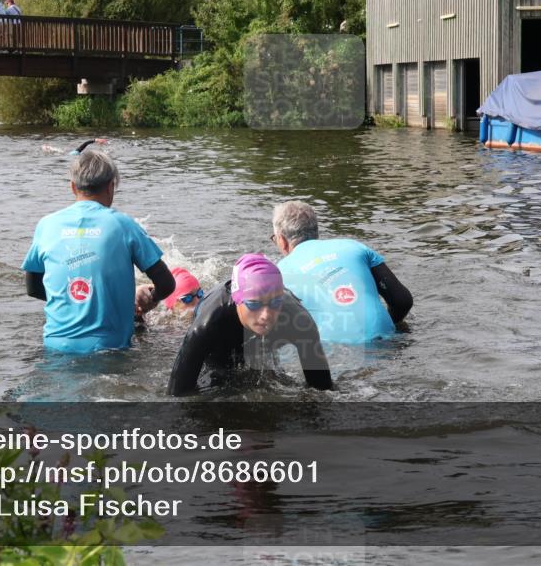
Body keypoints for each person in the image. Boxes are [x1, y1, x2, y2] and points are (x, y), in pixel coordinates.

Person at [22, 149, 175, 353]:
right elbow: (166, 284)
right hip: (110, 348)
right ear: (111, 186)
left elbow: (33, 288)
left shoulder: (46, 225)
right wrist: (149, 300)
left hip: (55, 347)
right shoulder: (123, 225)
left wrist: (76, 302)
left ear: (73, 187)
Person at [166, 253, 333, 396]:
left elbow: (323, 391)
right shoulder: (208, 324)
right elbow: (178, 395)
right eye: (254, 304)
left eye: (275, 303)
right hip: (220, 345)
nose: (266, 315)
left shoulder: (299, 319)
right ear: (238, 300)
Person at [272, 201, 413, 344]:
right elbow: (402, 301)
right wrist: (391, 325)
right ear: (316, 231)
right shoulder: (353, 246)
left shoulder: (278, 273)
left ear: (282, 240)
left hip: (336, 351)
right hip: (386, 337)